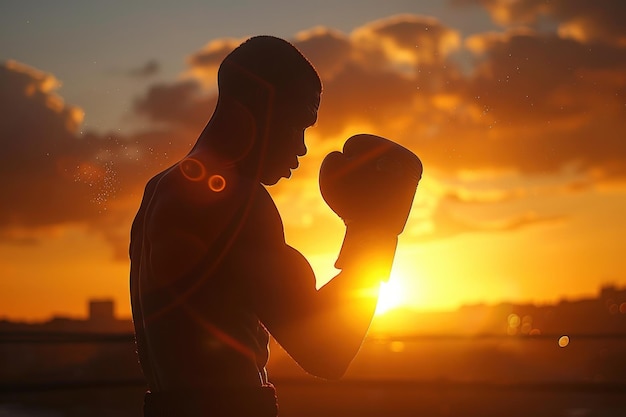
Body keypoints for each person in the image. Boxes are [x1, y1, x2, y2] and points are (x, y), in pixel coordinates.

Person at [129, 35, 422, 417]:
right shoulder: (236, 200)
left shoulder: (159, 190)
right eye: (299, 122)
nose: (301, 148)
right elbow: (328, 353)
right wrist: (376, 232)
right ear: (259, 101)